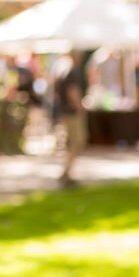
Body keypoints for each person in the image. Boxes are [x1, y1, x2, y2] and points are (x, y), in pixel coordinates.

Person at [53, 52, 87, 186]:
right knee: (77, 141)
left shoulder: (61, 70)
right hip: (72, 112)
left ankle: (67, 171)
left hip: (64, 111)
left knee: (70, 143)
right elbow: (72, 91)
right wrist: (80, 107)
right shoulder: (72, 71)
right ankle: (66, 172)